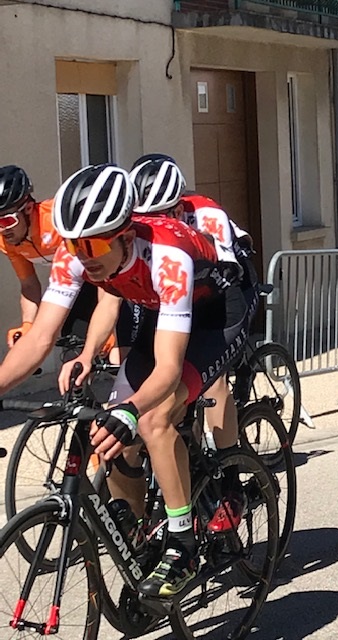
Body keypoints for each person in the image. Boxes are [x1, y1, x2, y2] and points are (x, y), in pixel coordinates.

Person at [0, 164, 251, 598]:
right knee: (108, 430)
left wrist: (131, 411)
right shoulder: (77, 254)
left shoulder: (167, 256)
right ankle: (139, 536)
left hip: (218, 315)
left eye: (94, 244)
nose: (83, 256)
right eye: (75, 244)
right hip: (161, 309)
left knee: (152, 420)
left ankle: (183, 545)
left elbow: (169, 369)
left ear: (125, 236)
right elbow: (41, 335)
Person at [127, 156, 258, 530]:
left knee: (212, 382)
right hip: (181, 298)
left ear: (179, 205)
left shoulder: (205, 216)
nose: (152, 224)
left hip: (223, 299)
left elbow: (226, 279)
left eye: (162, 214)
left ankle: (231, 485)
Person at [0, 165, 98, 347]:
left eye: (6, 220)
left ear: (28, 208)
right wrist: (28, 325)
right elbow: (29, 285)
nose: (2, 230)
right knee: (70, 338)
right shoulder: (7, 240)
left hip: (106, 276)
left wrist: (105, 325)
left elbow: (101, 263)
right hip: (77, 280)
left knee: (114, 348)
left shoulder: (57, 220)